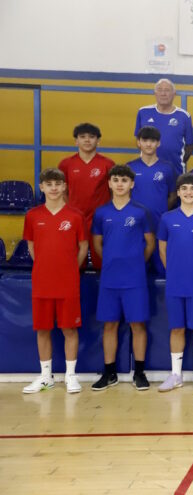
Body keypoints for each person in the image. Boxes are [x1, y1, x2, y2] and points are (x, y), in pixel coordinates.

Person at [22, 168, 88, 394]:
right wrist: (44, 266)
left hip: (68, 281)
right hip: (42, 282)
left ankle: (71, 376)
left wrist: (69, 267)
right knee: (43, 329)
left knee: (69, 328)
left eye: (58, 184)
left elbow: (83, 248)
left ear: (64, 187)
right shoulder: (32, 215)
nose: (53, 188)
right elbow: (31, 247)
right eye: (48, 184)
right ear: (41, 187)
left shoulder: (75, 216)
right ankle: (45, 377)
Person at [91, 165, 155, 391]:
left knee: (138, 325)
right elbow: (97, 244)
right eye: (115, 180)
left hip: (135, 278)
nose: (119, 184)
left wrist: (136, 261)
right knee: (110, 325)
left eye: (124, 180)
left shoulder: (141, 212)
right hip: (109, 279)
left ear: (132, 184)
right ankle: (109, 373)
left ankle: (139, 372)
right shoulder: (101, 213)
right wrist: (112, 260)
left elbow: (150, 244)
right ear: (109, 183)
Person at [156, 173, 193, 393]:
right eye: (184, 188)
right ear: (179, 192)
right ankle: (176, 375)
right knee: (177, 328)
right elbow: (162, 247)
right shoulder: (167, 218)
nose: (189, 192)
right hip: (175, 282)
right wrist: (172, 270)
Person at [58, 122, 115, 269]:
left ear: (98, 140)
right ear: (76, 141)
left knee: (102, 263)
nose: (87, 140)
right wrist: (71, 209)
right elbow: (62, 190)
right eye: (82, 137)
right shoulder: (66, 164)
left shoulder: (108, 164)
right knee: (75, 263)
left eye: (91, 137)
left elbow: (114, 191)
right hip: (76, 220)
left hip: (100, 220)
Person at [127, 126, 176, 275]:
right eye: (145, 140)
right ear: (138, 143)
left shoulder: (167, 168)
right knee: (137, 268)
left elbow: (173, 195)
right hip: (135, 225)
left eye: (153, 141)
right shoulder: (130, 167)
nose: (149, 144)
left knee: (162, 269)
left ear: (158, 144)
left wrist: (161, 212)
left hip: (159, 224)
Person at [134, 78, 193, 174]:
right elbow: (138, 139)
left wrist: (181, 161)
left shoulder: (184, 116)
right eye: (160, 90)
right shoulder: (143, 112)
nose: (163, 93)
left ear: (174, 93)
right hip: (147, 168)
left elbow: (190, 145)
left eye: (167, 90)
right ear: (155, 93)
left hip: (175, 169)